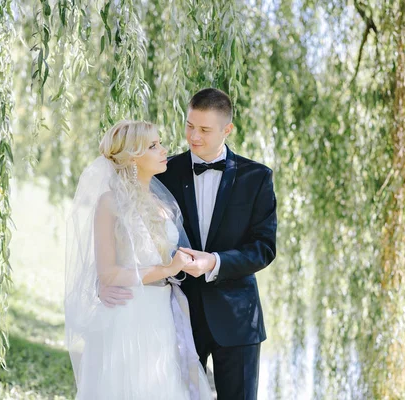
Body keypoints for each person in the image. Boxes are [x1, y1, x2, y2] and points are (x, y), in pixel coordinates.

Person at [100, 88, 277, 400]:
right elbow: (121, 229)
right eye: (189, 125)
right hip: (174, 317)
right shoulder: (161, 171)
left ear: (227, 129)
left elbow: (263, 248)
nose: (194, 137)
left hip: (237, 320)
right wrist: (105, 281)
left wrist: (213, 262)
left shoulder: (257, 177)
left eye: (205, 130)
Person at [64, 120, 213, 400]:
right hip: (130, 313)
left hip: (164, 315)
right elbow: (107, 274)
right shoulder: (109, 203)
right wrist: (168, 268)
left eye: (160, 143)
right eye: (153, 146)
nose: (163, 149)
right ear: (132, 157)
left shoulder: (163, 204)